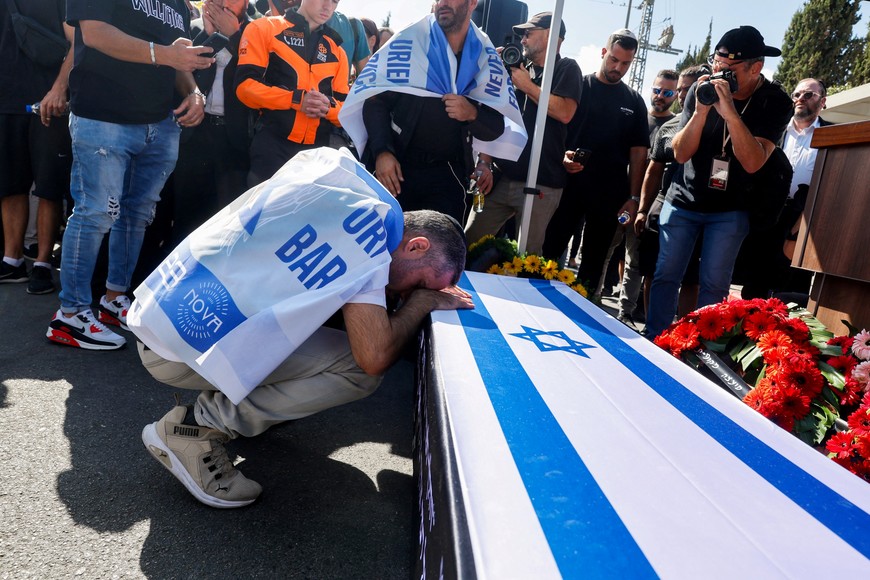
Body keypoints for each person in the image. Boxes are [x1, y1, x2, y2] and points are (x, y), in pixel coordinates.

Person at [133, 148, 472, 508]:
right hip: (181, 349)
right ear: (416, 246)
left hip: (161, 311)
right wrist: (424, 302)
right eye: (420, 283)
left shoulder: (336, 171)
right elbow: (373, 357)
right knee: (359, 369)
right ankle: (197, 429)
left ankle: (235, 410)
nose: (407, 295)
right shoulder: (372, 238)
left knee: (333, 331)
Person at [45, 0, 212, 351]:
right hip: (103, 115)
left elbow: (176, 54)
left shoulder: (177, 4)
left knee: (137, 215)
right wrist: (166, 56)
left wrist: (194, 91)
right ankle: (70, 314)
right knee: (95, 213)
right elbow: (94, 34)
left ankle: (113, 299)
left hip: (160, 121)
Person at [645, 26, 792, 338]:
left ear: (756, 67)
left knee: (714, 284)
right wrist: (700, 112)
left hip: (731, 208)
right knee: (666, 274)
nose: (720, 74)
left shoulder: (774, 101)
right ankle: (656, 339)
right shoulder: (703, 88)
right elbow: (680, 154)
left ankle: (703, 349)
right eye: (716, 65)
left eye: (729, 69)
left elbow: (753, 162)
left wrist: (730, 114)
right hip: (683, 200)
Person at [346, 0, 521, 225]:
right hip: (398, 169)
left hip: (448, 177)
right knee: (388, 251)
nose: (443, 3)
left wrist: (472, 114)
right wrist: (382, 152)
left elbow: (496, 127)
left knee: (441, 253)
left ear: (472, 3)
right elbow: (375, 101)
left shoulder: (484, 57)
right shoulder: (408, 42)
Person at [463, 11, 582, 255]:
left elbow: (565, 112)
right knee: (467, 244)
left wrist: (527, 86)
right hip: (500, 176)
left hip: (543, 182)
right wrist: (484, 162)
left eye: (528, 33)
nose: (523, 40)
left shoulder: (566, 68)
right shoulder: (515, 67)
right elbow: (492, 116)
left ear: (550, 35)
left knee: (527, 258)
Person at [541, 28, 645, 291]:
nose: (618, 67)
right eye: (614, 59)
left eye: (625, 63)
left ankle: (582, 317)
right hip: (567, 186)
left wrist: (633, 199)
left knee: (593, 265)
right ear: (603, 52)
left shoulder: (634, 101)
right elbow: (553, 132)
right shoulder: (578, 87)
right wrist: (562, 156)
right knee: (547, 254)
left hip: (610, 194)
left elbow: (639, 153)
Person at [736, 77, 832, 300]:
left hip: (803, 218)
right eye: (797, 94)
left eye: (809, 95)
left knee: (791, 289)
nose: (801, 99)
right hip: (766, 215)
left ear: (823, 101)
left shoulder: (831, 134)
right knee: (754, 285)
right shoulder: (775, 129)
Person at [169, 0, 256, 246]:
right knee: (187, 217)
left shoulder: (257, 32)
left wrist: (234, 37)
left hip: (236, 140)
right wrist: (212, 38)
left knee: (228, 223)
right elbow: (182, 76)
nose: (224, 3)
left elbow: (259, 77)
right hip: (194, 134)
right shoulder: (193, 30)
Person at [235, 0, 349, 186]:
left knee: (309, 215)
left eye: (335, 1)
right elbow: (244, 87)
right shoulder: (264, 28)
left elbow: (346, 111)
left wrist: (327, 107)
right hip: (272, 147)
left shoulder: (337, 51)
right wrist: (295, 99)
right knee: (266, 213)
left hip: (317, 155)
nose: (328, 6)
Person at [0, 0, 72, 295]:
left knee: (48, 186)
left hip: (48, 102)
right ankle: (12, 259)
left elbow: (78, 43)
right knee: (10, 185)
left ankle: (42, 262)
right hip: (6, 101)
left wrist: (58, 89)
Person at [634, 65, 708, 322]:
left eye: (688, 89)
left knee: (691, 279)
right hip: (663, 205)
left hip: (701, 211)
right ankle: (653, 329)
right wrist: (643, 209)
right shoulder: (668, 127)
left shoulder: (717, 127)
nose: (681, 95)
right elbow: (652, 171)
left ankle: (688, 338)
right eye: (680, 90)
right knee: (653, 272)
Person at [615, 68, 678, 327]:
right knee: (608, 252)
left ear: (675, 95)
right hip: (619, 196)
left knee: (636, 261)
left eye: (667, 92)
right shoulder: (637, 116)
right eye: (656, 90)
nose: (660, 96)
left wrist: (644, 206)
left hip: (650, 205)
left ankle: (625, 312)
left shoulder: (676, 125)